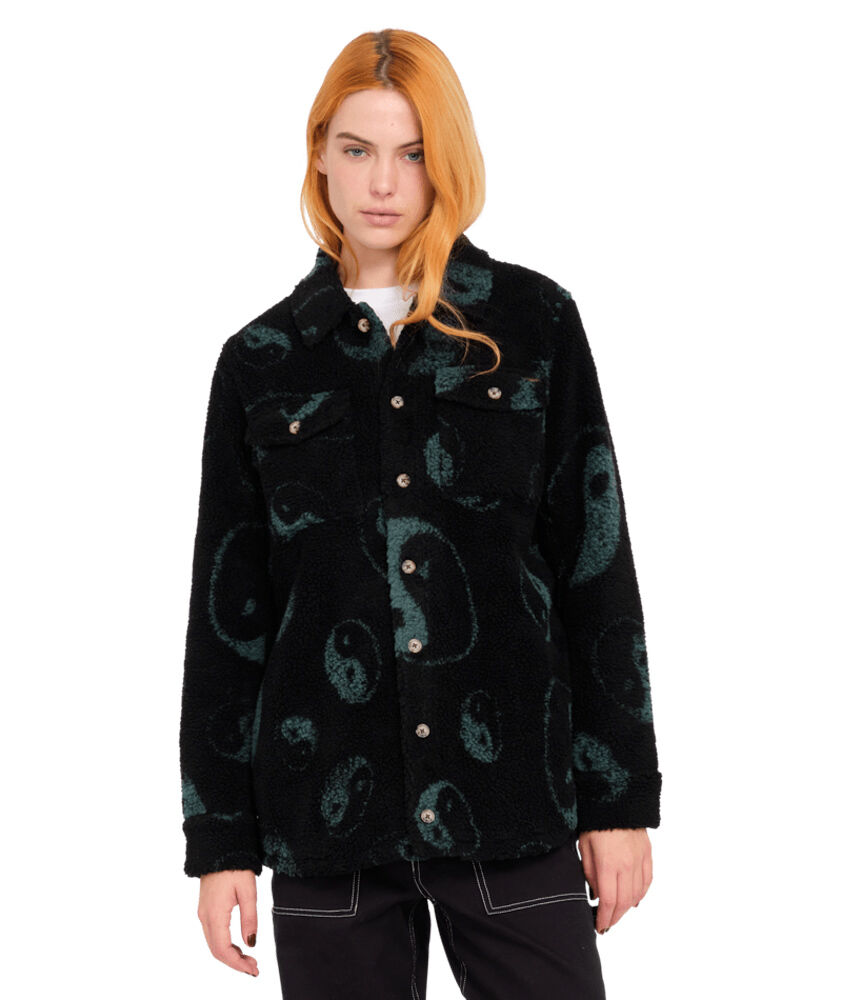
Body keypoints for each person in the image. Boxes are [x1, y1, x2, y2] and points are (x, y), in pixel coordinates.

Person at [179, 27, 662, 999]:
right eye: (357, 148)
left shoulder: (532, 325)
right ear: (319, 153)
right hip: (327, 817)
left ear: (447, 160)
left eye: (411, 153)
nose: (382, 183)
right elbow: (227, 616)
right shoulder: (261, 361)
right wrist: (219, 840)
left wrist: (617, 800)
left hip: (510, 799)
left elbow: (593, 567)